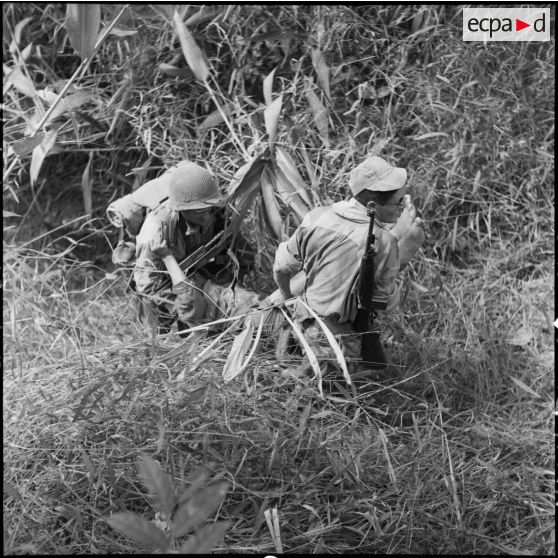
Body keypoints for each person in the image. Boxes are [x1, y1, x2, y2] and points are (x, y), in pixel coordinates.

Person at [271, 155, 425, 379]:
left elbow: (280, 267)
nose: (401, 206)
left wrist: (286, 295)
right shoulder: (383, 242)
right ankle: (400, 251)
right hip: (338, 343)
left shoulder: (317, 216)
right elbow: (384, 306)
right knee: (373, 383)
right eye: (397, 202)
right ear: (373, 205)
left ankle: (396, 251)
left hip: (298, 322)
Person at [121, 161, 260, 334]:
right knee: (162, 326)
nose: (208, 216)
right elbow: (149, 289)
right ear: (182, 210)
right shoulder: (155, 231)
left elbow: (242, 253)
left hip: (197, 275)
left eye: (210, 209)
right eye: (201, 212)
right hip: (167, 288)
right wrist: (188, 304)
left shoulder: (214, 211)